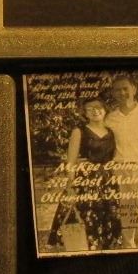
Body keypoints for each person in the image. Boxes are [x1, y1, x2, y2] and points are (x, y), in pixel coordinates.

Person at [47, 96, 123, 251]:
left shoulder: (112, 132)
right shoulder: (79, 131)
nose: (95, 111)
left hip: (106, 180)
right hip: (85, 180)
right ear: (85, 113)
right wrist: (70, 184)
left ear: (105, 110)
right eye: (90, 108)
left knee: (107, 215)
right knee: (84, 215)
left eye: (98, 107)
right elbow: (71, 161)